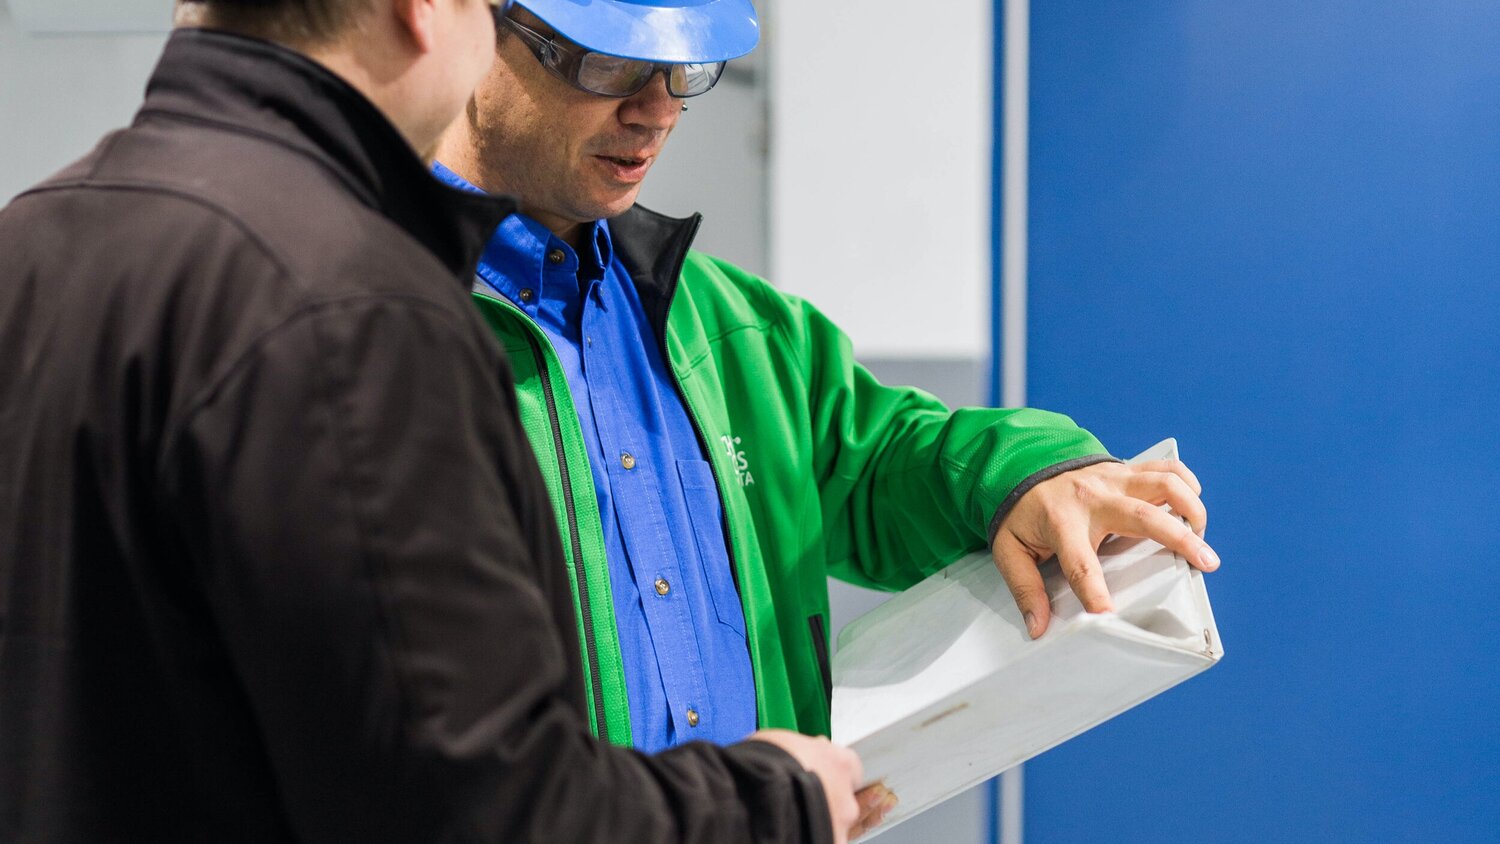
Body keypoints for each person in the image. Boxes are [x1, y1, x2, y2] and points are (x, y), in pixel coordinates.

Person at [0, 1, 870, 841]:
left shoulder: (34, 242)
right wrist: (769, 807)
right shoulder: (357, 303)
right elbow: (475, 808)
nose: (655, 108)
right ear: (427, 7)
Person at [433, 0, 1221, 763]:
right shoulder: (377, 338)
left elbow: (884, 461)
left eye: (685, 67)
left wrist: (1029, 474)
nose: (656, 111)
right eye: (610, 64)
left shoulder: (735, 331)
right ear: (469, 27)